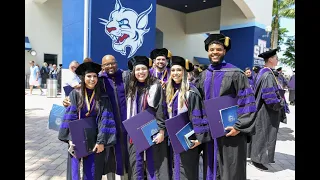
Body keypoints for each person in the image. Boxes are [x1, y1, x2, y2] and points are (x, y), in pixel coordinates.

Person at [195, 33, 257, 180]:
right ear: (207, 52)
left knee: (231, 169)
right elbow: (196, 102)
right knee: (210, 167)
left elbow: (247, 103)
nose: (215, 52)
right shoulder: (203, 75)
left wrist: (239, 127)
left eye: (218, 49)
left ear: (224, 51)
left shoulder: (236, 73)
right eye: (211, 49)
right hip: (210, 131)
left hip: (230, 132)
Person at [58, 61, 116, 180]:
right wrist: (70, 140)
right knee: (74, 171)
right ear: (83, 78)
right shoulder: (75, 94)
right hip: (77, 136)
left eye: (95, 76)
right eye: (89, 76)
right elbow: (70, 117)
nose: (92, 79)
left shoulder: (102, 96)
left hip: (95, 137)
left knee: (93, 172)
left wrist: (101, 141)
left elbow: (105, 119)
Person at [166, 56, 211, 180]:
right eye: (173, 70)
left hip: (187, 138)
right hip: (173, 139)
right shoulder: (170, 91)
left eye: (179, 70)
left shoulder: (191, 92)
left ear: (184, 72)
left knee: (187, 171)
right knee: (176, 169)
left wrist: (198, 138)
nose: (175, 73)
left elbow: (198, 116)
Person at [126, 56, 170, 180]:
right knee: (136, 161)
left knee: (154, 162)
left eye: (143, 69)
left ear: (148, 69)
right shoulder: (130, 86)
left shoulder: (155, 85)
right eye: (138, 69)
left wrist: (161, 130)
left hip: (152, 126)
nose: (141, 72)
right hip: (134, 127)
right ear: (134, 72)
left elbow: (160, 109)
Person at [247, 49, 288, 171]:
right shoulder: (268, 74)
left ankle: (255, 157)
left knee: (259, 134)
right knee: (264, 135)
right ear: (270, 59)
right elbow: (269, 97)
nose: (277, 60)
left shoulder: (263, 72)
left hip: (261, 109)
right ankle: (258, 160)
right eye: (276, 58)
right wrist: (280, 104)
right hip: (266, 111)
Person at [99, 54, 131, 180]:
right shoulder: (100, 79)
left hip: (125, 122)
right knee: (109, 155)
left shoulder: (125, 76)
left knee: (125, 154)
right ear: (102, 66)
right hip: (108, 123)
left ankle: (126, 177)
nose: (110, 66)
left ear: (116, 63)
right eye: (107, 64)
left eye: (112, 63)